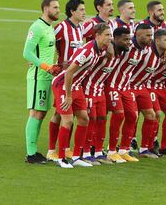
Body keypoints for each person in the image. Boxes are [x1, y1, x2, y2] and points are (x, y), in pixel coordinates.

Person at [52, 23, 112, 168]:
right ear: (97, 36)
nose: (110, 38)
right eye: (107, 35)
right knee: (67, 121)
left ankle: (77, 156)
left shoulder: (99, 49)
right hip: (63, 84)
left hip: (76, 85)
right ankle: (61, 158)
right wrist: (68, 95)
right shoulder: (88, 51)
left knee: (84, 119)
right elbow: (69, 72)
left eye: (110, 35)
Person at [82, 27, 133, 164]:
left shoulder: (120, 52)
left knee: (102, 120)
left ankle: (98, 152)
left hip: (100, 90)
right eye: (126, 40)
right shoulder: (104, 52)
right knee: (91, 120)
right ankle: (85, 153)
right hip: (88, 90)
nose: (129, 42)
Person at [105, 23, 152, 163]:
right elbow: (111, 41)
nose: (151, 38)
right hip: (112, 85)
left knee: (133, 115)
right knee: (119, 114)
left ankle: (124, 150)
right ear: (137, 35)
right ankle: (111, 150)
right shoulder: (126, 45)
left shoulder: (144, 50)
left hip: (126, 87)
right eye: (148, 35)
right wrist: (110, 45)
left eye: (151, 35)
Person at [47, 0, 86, 162]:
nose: (84, 13)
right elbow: (47, 43)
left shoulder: (81, 28)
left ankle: (65, 149)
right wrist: (51, 64)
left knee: (61, 113)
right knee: (62, 115)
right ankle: (51, 150)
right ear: (72, 12)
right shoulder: (61, 28)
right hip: (62, 78)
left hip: (75, 79)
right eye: (81, 10)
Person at [23, 0, 60, 164]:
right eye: (55, 7)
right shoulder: (37, 27)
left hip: (46, 77)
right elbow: (27, 53)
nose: (58, 10)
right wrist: (46, 67)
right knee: (36, 113)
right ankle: (31, 154)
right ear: (46, 9)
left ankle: (33, 151)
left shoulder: (49, 27)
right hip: (38, 76)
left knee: (41, 113)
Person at [129, 29, 166, 158]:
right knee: (132, 115)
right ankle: (123, 147)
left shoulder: (161, 55)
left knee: (152, 114)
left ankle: (144, 149)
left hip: (142, 87)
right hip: (129, 85)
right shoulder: (146, 52)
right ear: (157, 41)